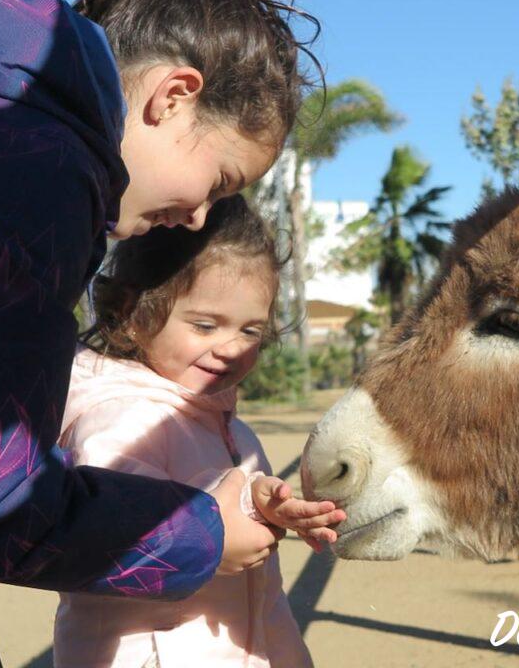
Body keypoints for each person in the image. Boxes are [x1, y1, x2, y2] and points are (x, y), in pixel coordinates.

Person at [0, 0, 321, 667]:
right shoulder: (34, 175)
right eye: (217, 185)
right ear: (173, 96)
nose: (195, 220)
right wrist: (207, 533)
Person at [55, 196, 341, 668]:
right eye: (205, 325)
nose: (230, 348)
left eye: (251, 331)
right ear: (130, 311)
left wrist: (271, 509)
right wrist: (225, 519)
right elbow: (122, 532)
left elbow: (264, 597)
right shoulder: (120, 418)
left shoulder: (237, 434)